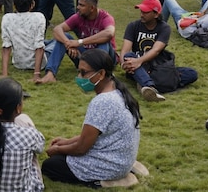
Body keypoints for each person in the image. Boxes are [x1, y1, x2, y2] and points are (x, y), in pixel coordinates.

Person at [41, 49, 141, 186]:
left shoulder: (102, 101)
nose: (79, 77)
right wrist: (66, 142)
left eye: (83, 73)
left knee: (50, 166)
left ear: (101, 74)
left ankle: (104, 182)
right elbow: (95, 135)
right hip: (122, 160)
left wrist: (58, 149)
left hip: (113, 167)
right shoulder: (117, 91)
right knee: (62, 156)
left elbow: (82, 148)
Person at [120, 0, 198, 102]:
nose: (141, 14)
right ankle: (149, 85)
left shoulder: (164, 28)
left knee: (191, 73)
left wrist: (139, 61)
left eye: (146, 12)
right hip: (136, 64)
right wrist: (123, 64)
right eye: (141, 11)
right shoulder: (133, 26)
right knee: (128, 57)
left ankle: (142, 81)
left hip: (157, 65)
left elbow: (156, 50)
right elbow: (125, 50)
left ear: (156, 14)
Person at [36, 0, 115, 85]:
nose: (78, 7)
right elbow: (57, 29)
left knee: (104, 41)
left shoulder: (105, 17)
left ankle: (96, 73)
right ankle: (50, 74)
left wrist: (79, 42)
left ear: (92, 8)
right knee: (64, 37)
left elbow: (109, 33)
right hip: (85, 55)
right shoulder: (79, 17)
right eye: (78, 4)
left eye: (82, 5)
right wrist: (68, 43)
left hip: (106, 58)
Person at [1, 0, 47, 79]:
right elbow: (39, 46)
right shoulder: (39, 17)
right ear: (32, 4)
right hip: (39, 65)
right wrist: (36, 74)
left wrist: (4, 74)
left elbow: (6, 46)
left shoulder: (7, 18)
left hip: (18, 64)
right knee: (54, 44)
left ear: (14, 5)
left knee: (48, 42)